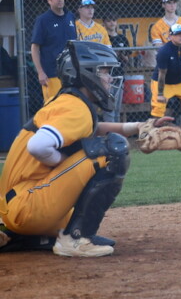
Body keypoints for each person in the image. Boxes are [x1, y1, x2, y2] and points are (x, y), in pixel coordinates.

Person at [0, 41, 166, 257]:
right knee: (111, 151)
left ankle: (17, 235)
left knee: (93, 150)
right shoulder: (75, 108)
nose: (109, 78)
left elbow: (92, 129)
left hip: (19, 204)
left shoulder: (68, 101)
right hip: (28, 206)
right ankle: (75, 239)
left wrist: (136, 127)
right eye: (104, 71)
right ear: (87, 74)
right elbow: (38, 146)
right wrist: (64, 163)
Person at [30, 0, 77, 103]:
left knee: (71, 106)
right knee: (54, 107)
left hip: (72, 72)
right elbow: (35, 47)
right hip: (52, 74)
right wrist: (40, 72)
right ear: (49, 0)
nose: (60, 0)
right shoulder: (43, 20)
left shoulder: (70, 16)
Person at [101, 12, 132, 123]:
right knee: (109, 106)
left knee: (117, 108)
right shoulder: (104, 37)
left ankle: (117, 132)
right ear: (104, 22)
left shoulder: (122, 38)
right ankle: (110, 132)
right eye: (109, 20)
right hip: (106, 76)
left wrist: (121, 54)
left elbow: (127, 59)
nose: (112, 23)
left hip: (119, 74)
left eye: (114, 20)